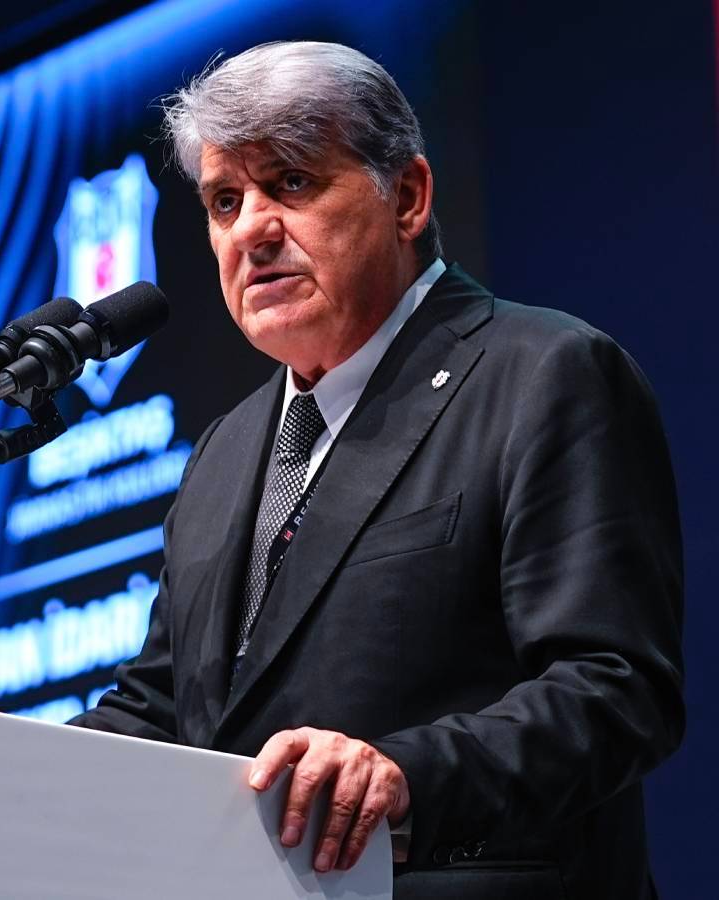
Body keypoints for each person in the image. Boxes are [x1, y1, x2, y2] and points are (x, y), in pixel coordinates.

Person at [69, 41, 683, 900]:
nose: (251, 229)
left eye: (291, 182)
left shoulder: (544, 373)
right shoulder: (224, 452)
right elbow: (163, 709)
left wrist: (406, 776)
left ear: (407, 196)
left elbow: (615, 693)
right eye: (224, 201)